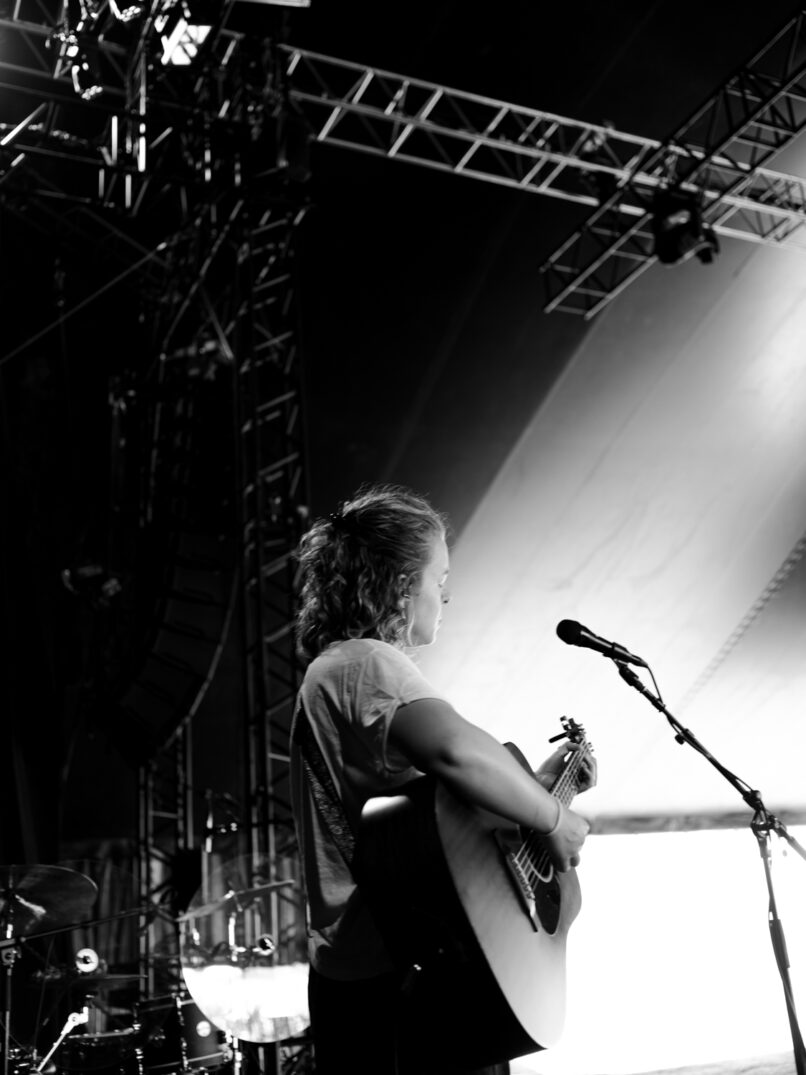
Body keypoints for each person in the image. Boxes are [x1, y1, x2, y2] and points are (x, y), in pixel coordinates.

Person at [289, 483, 596, 1075]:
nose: (446, 595)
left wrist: (541, 785)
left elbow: (429, 815)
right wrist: (553, 816)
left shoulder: (339, 671)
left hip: (375, 966)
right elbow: (456, 752)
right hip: (407, 970)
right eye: (440, 577)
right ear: (404, 585)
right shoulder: (364, 662)